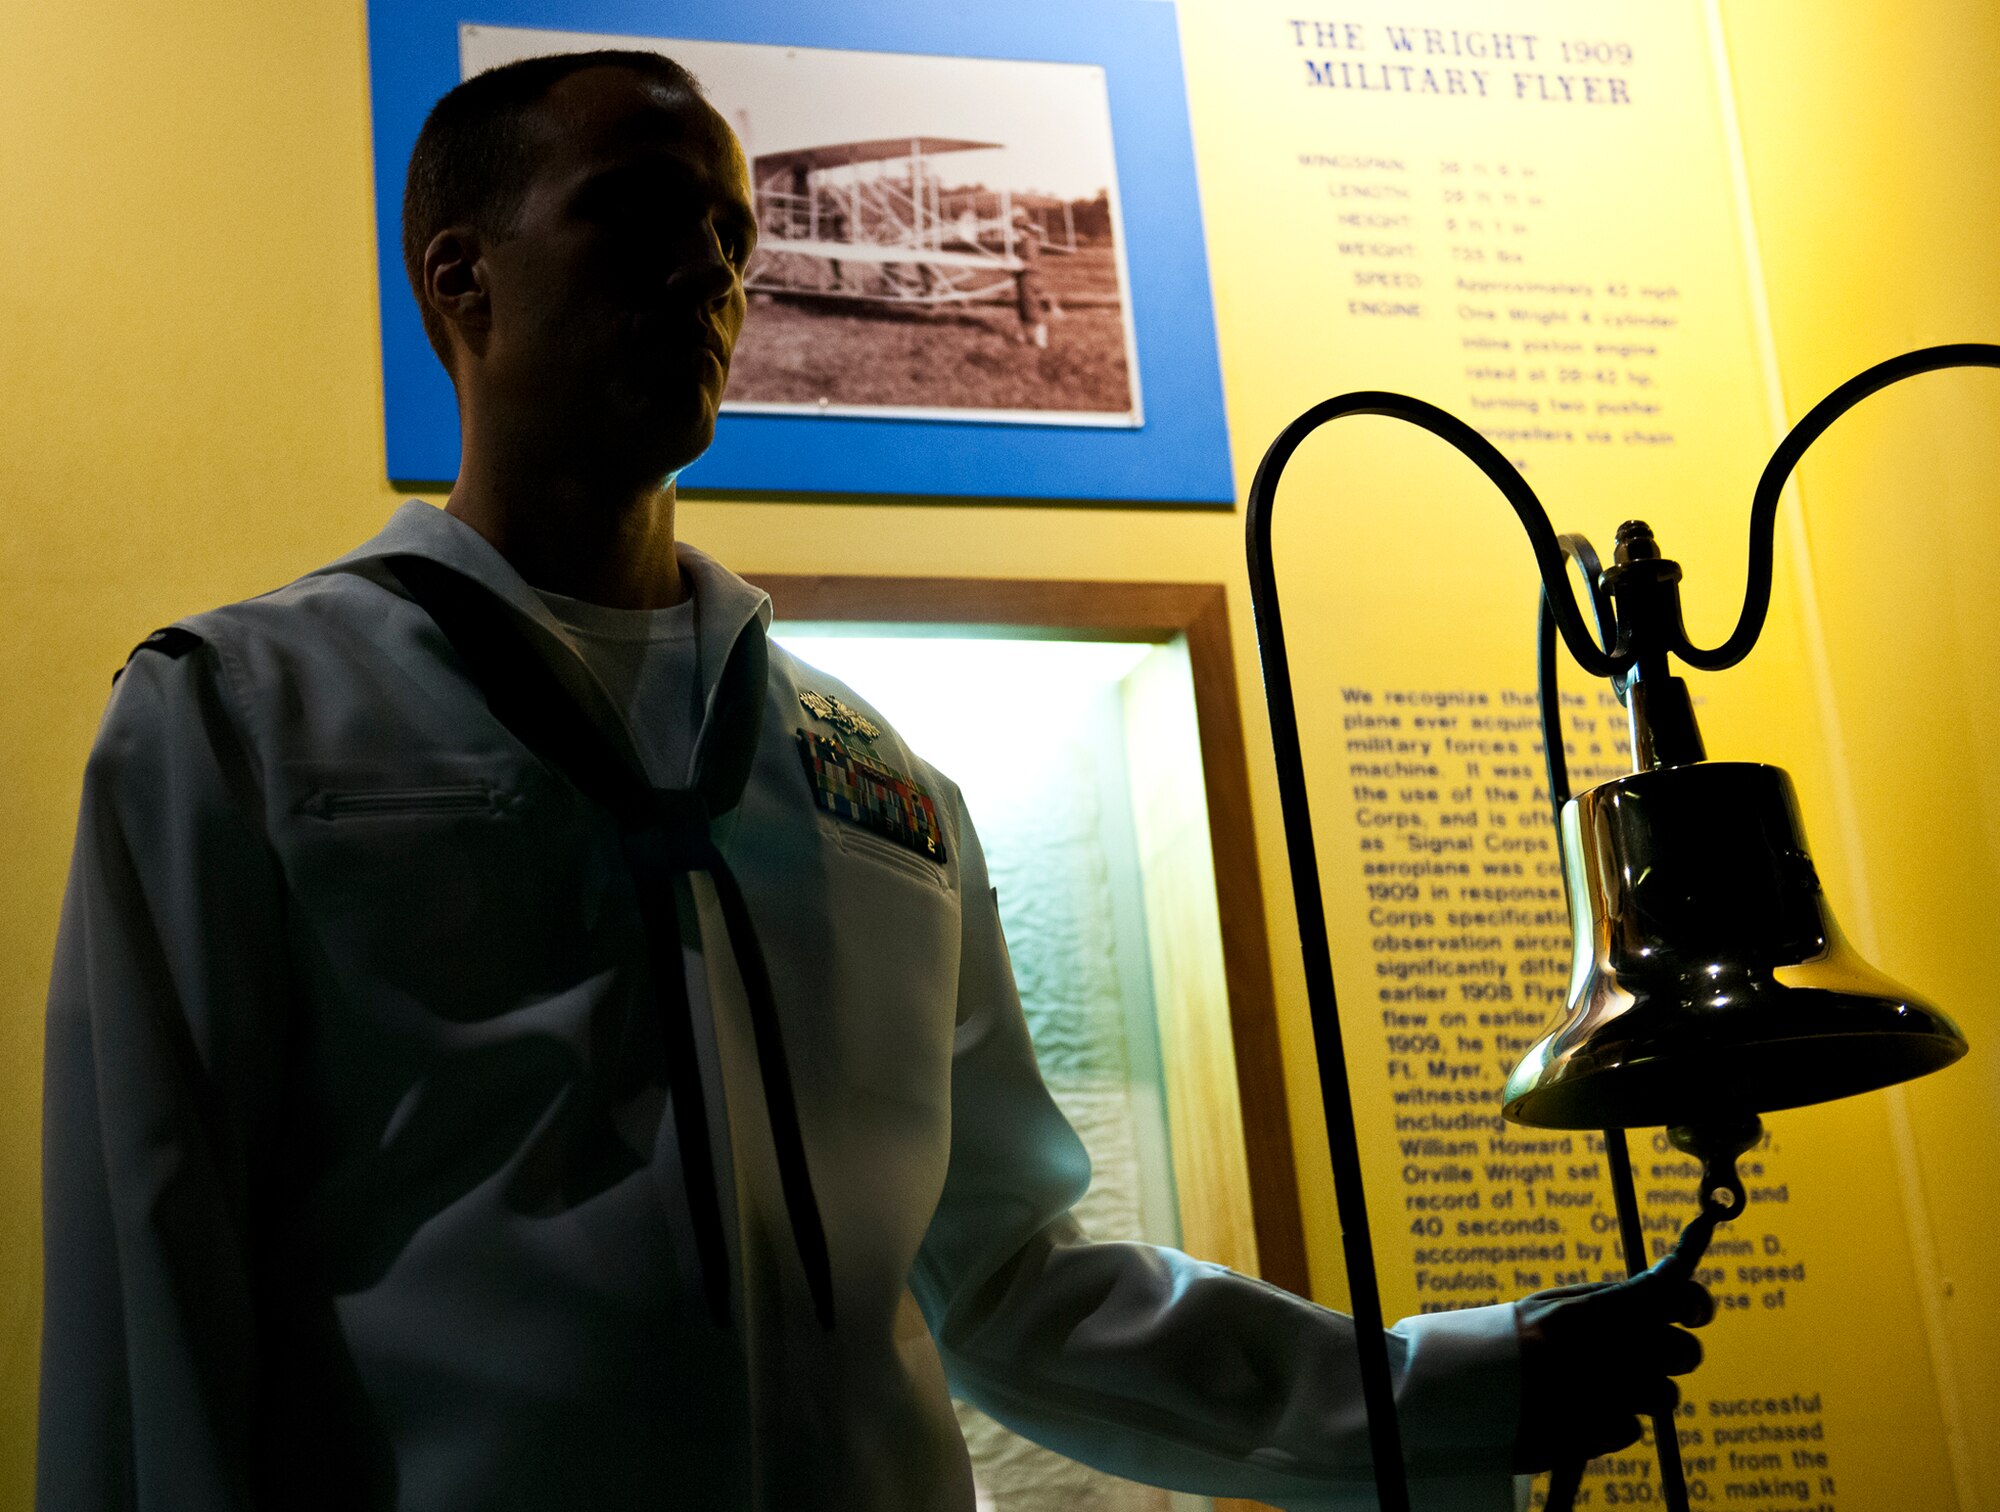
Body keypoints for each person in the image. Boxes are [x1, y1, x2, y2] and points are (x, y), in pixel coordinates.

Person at [37, 50, 1710, 1512]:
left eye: (734, 233)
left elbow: (1012, 1285)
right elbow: (150, 1296)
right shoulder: (244, 720)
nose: (708, 262)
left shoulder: (875, 789)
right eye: (635, 208)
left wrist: (1459, 1387)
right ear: (457, 282)